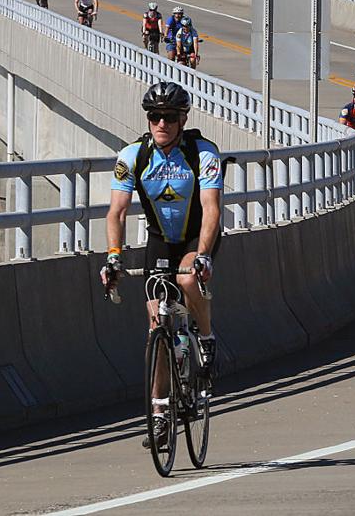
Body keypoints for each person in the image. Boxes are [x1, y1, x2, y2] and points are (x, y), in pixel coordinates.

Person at [101, 81, 224, 449]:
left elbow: (213, 207)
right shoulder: (132, 157)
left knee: (187, 282)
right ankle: (159, 415)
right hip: (159, 240)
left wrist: (202, 254)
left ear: (183, 119)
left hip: (196, 236)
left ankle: (205, 338)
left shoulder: (203, 153)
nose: (162, 124)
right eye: (155, 116)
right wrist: (113, 257)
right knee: (155, 323)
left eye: (170, 117)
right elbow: (116, 212)